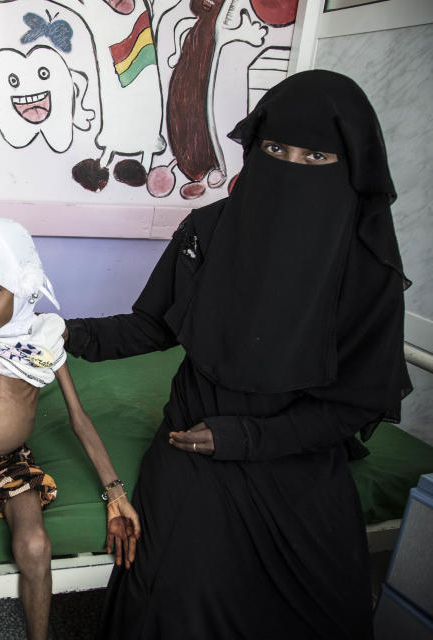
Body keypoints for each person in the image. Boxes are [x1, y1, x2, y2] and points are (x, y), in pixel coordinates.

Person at [64, 70, 412, 639]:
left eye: (316, 156)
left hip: (295, 454)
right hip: (191, 442)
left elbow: (353, 405)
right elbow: (152, 325)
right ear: (255, 151)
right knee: (180, 593)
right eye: (276, 149)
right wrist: (65, 333)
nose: (291, 167)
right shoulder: (207, 232)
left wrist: (245, 438)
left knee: (329, 605)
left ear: (350, 165)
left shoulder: (366, 270)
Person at [0, 218, 141, 640]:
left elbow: (79, 418)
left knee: (36, 546)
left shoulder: (43, 339)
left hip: (15, 460)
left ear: (23, 283)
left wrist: (115, 493)